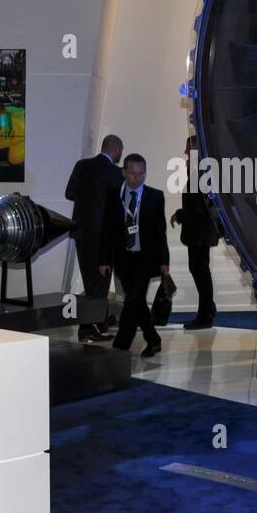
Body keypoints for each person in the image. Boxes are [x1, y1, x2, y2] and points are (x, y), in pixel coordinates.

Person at [100, 153, 168, 357]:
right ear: (124, 173)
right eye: (132, 173)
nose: (136, 178)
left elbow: (160, 232)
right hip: (123, 259)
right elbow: (107, 230)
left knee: (132, 301)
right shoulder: (113, 196)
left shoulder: (155, 197)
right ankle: (154, 340)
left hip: (145, 259)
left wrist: (165, 260)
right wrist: (104, 259)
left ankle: (121, 346)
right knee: (136, 302)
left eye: (141, 174)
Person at [66, 134, 124, 341]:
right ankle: (89, 328)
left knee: (91, 282)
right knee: (99, 284)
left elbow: (69, 193)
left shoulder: (81, 166)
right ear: (116, 150)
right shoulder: (116, 174)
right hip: (103, 236)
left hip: (81, 232)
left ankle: (93, 324)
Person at [170, 135, 220, 330]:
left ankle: (205, 314)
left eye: (188, 149)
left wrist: (179, 215)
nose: (185, 153)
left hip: (200, 233)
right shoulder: (202, 172)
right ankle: (208, 308)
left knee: (200, 271)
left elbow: (198, 208)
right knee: (201, 270)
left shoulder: (200, 173)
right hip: (201, 232)